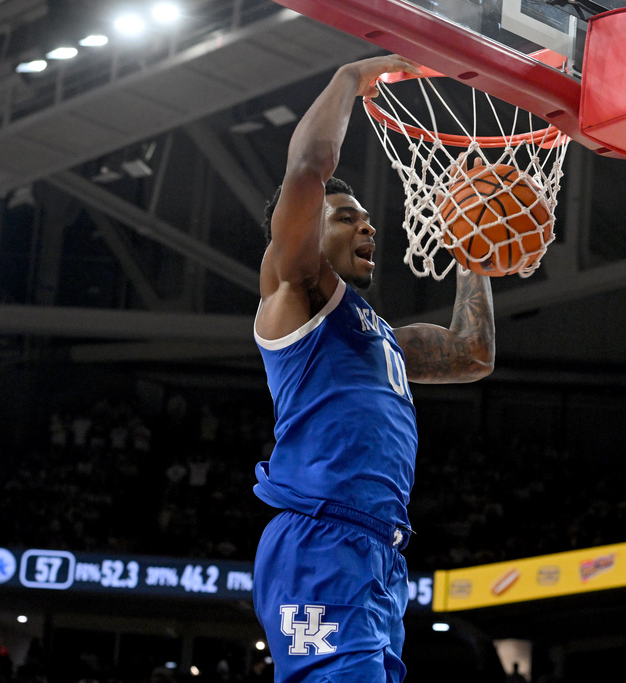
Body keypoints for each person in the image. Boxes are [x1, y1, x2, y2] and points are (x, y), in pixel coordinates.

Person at [251, 55, 496, 683]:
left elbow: (472, 354)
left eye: (365, 215)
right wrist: (350, 78)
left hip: (379, 555)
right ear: (306, 231)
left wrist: (474, 249)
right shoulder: (293, 294)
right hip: (320, 543)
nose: (368, 224)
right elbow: (308, 168)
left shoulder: (378, 337)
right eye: (346, 216)